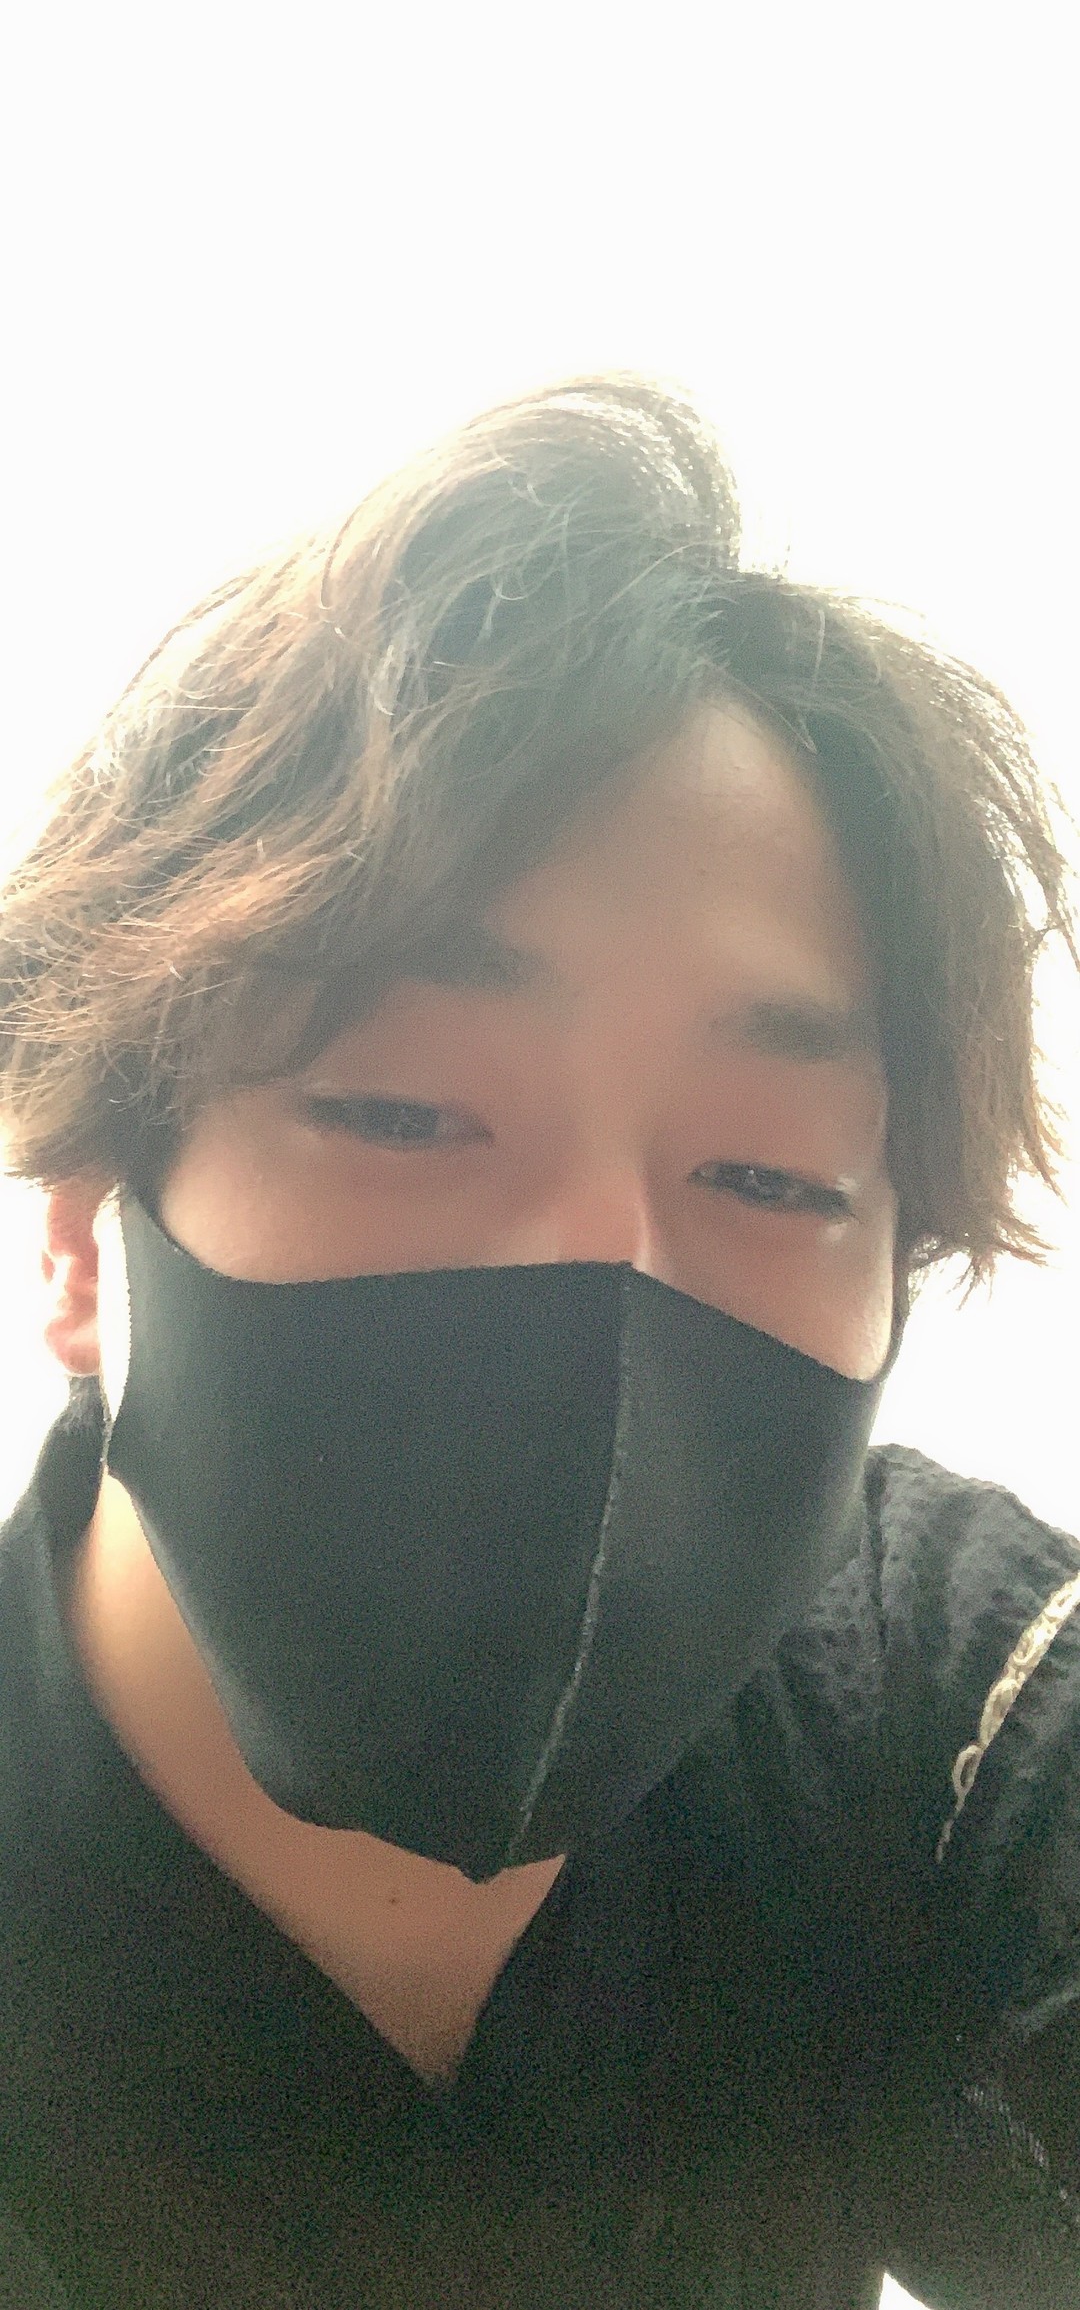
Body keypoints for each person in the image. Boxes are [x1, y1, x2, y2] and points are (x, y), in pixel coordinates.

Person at [0, 370, 1077, 2310]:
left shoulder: (926, 1702)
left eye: (769, 1173)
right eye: (405, 1111)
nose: (608, 1271)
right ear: (84, 1229)